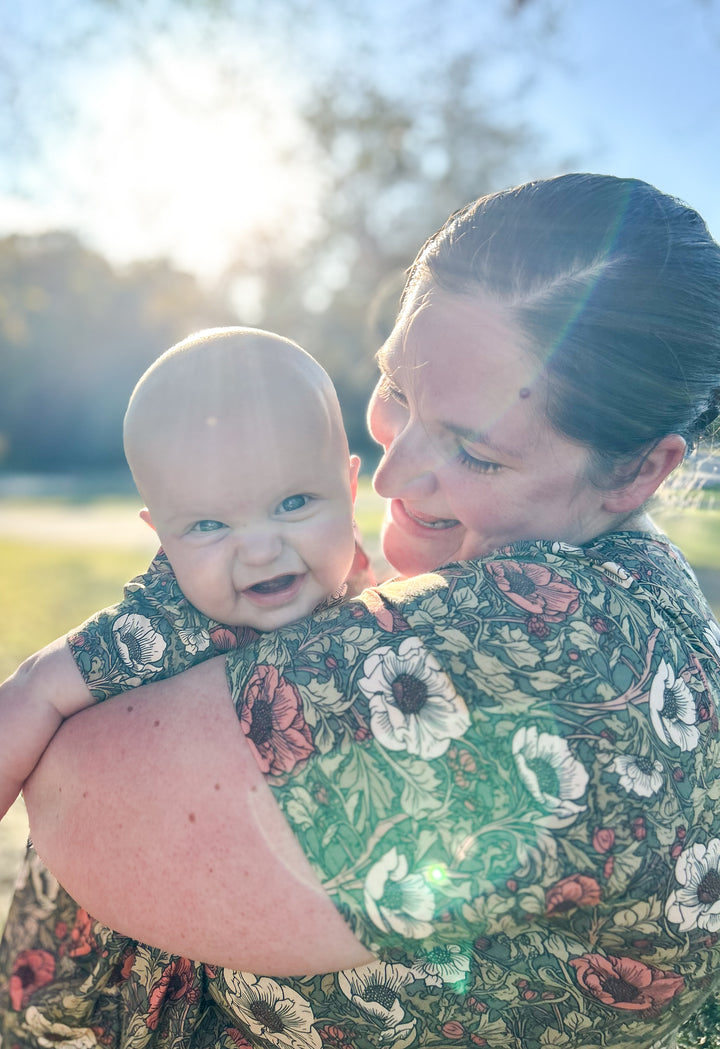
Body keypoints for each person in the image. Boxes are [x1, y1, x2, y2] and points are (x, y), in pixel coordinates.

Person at [3, 172, 720, 1049]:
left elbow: (85, 799)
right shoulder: (638, 592)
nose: (391, 474)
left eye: (476, 452)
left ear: (639, 470)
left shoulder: (561, 637)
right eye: (397, 391)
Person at [0, 325, 367, 822]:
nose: (261, 551)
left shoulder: (353, 566)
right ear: (164, 539)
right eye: (208, 525)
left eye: (294, 503)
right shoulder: (161, 625)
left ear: (350, 489)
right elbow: (34, 688)